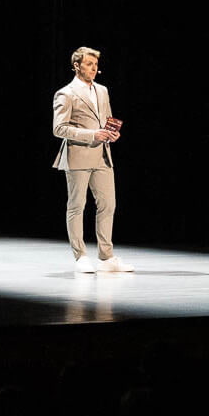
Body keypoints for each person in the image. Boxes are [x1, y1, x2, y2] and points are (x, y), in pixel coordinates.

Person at [52, 46, 134, 273]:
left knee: (108, 204)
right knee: (77, 206)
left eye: (95, 64)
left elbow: (107, 119)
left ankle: (106, 258)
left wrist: (112, 133)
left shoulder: (102, 90)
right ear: (76, 66)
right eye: (89, 64)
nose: (93, 68)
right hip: (78, 155)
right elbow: (59, 128)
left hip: (102, 155)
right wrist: (92, 135)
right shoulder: (65, 93)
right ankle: (80, 256)